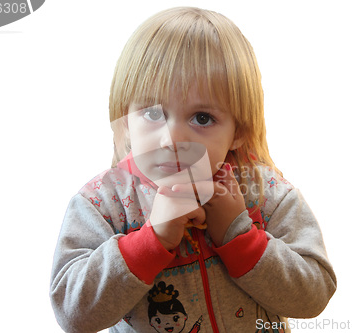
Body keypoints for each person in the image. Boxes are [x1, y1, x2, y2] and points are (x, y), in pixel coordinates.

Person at [50, 7, 336, 333]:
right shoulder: (104, 203)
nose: (172, 139)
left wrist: (239, 236)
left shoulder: (263, 190)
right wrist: (151, 241)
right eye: (153, 113)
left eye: (202, 118)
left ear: (239, 130)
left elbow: (315, 294)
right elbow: (72, 312)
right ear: (125, 119)